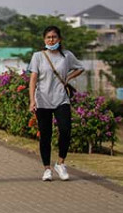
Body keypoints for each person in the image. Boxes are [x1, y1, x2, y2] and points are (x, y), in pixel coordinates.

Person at [28, 26, 85, 182]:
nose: (51, 40)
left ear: (59, 39)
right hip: (42, 100)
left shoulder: (67, 56)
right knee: (45, 134)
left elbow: (81, 68)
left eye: (54, 37)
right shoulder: (38, 56)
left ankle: (60, 163)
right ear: (44, 40)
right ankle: (47, 169)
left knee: (66, 130)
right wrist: (32, 100)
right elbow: (33, 79)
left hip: (61, 99)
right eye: (48, 37)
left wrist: (68, 78)